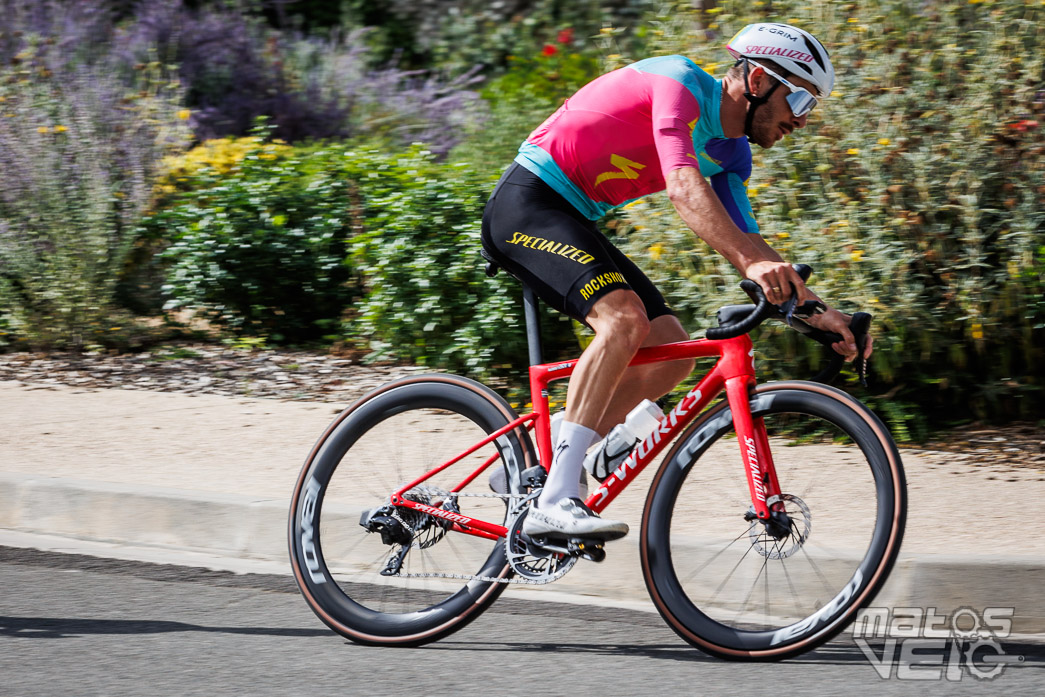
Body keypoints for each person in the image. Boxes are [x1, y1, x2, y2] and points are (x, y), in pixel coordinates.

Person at [480, 23, 870, 541]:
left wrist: (824, 316)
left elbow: (750, 246)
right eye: (797, 97)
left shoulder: (733, 154)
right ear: (756, 79)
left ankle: (538, 464)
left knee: (673, 352)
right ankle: (557, 497)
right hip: (527, 203)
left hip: (574, 217)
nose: (800, 118)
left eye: (810, 105)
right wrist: (752, 266)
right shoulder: (677, 82)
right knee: (622, 319)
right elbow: (683, 188)